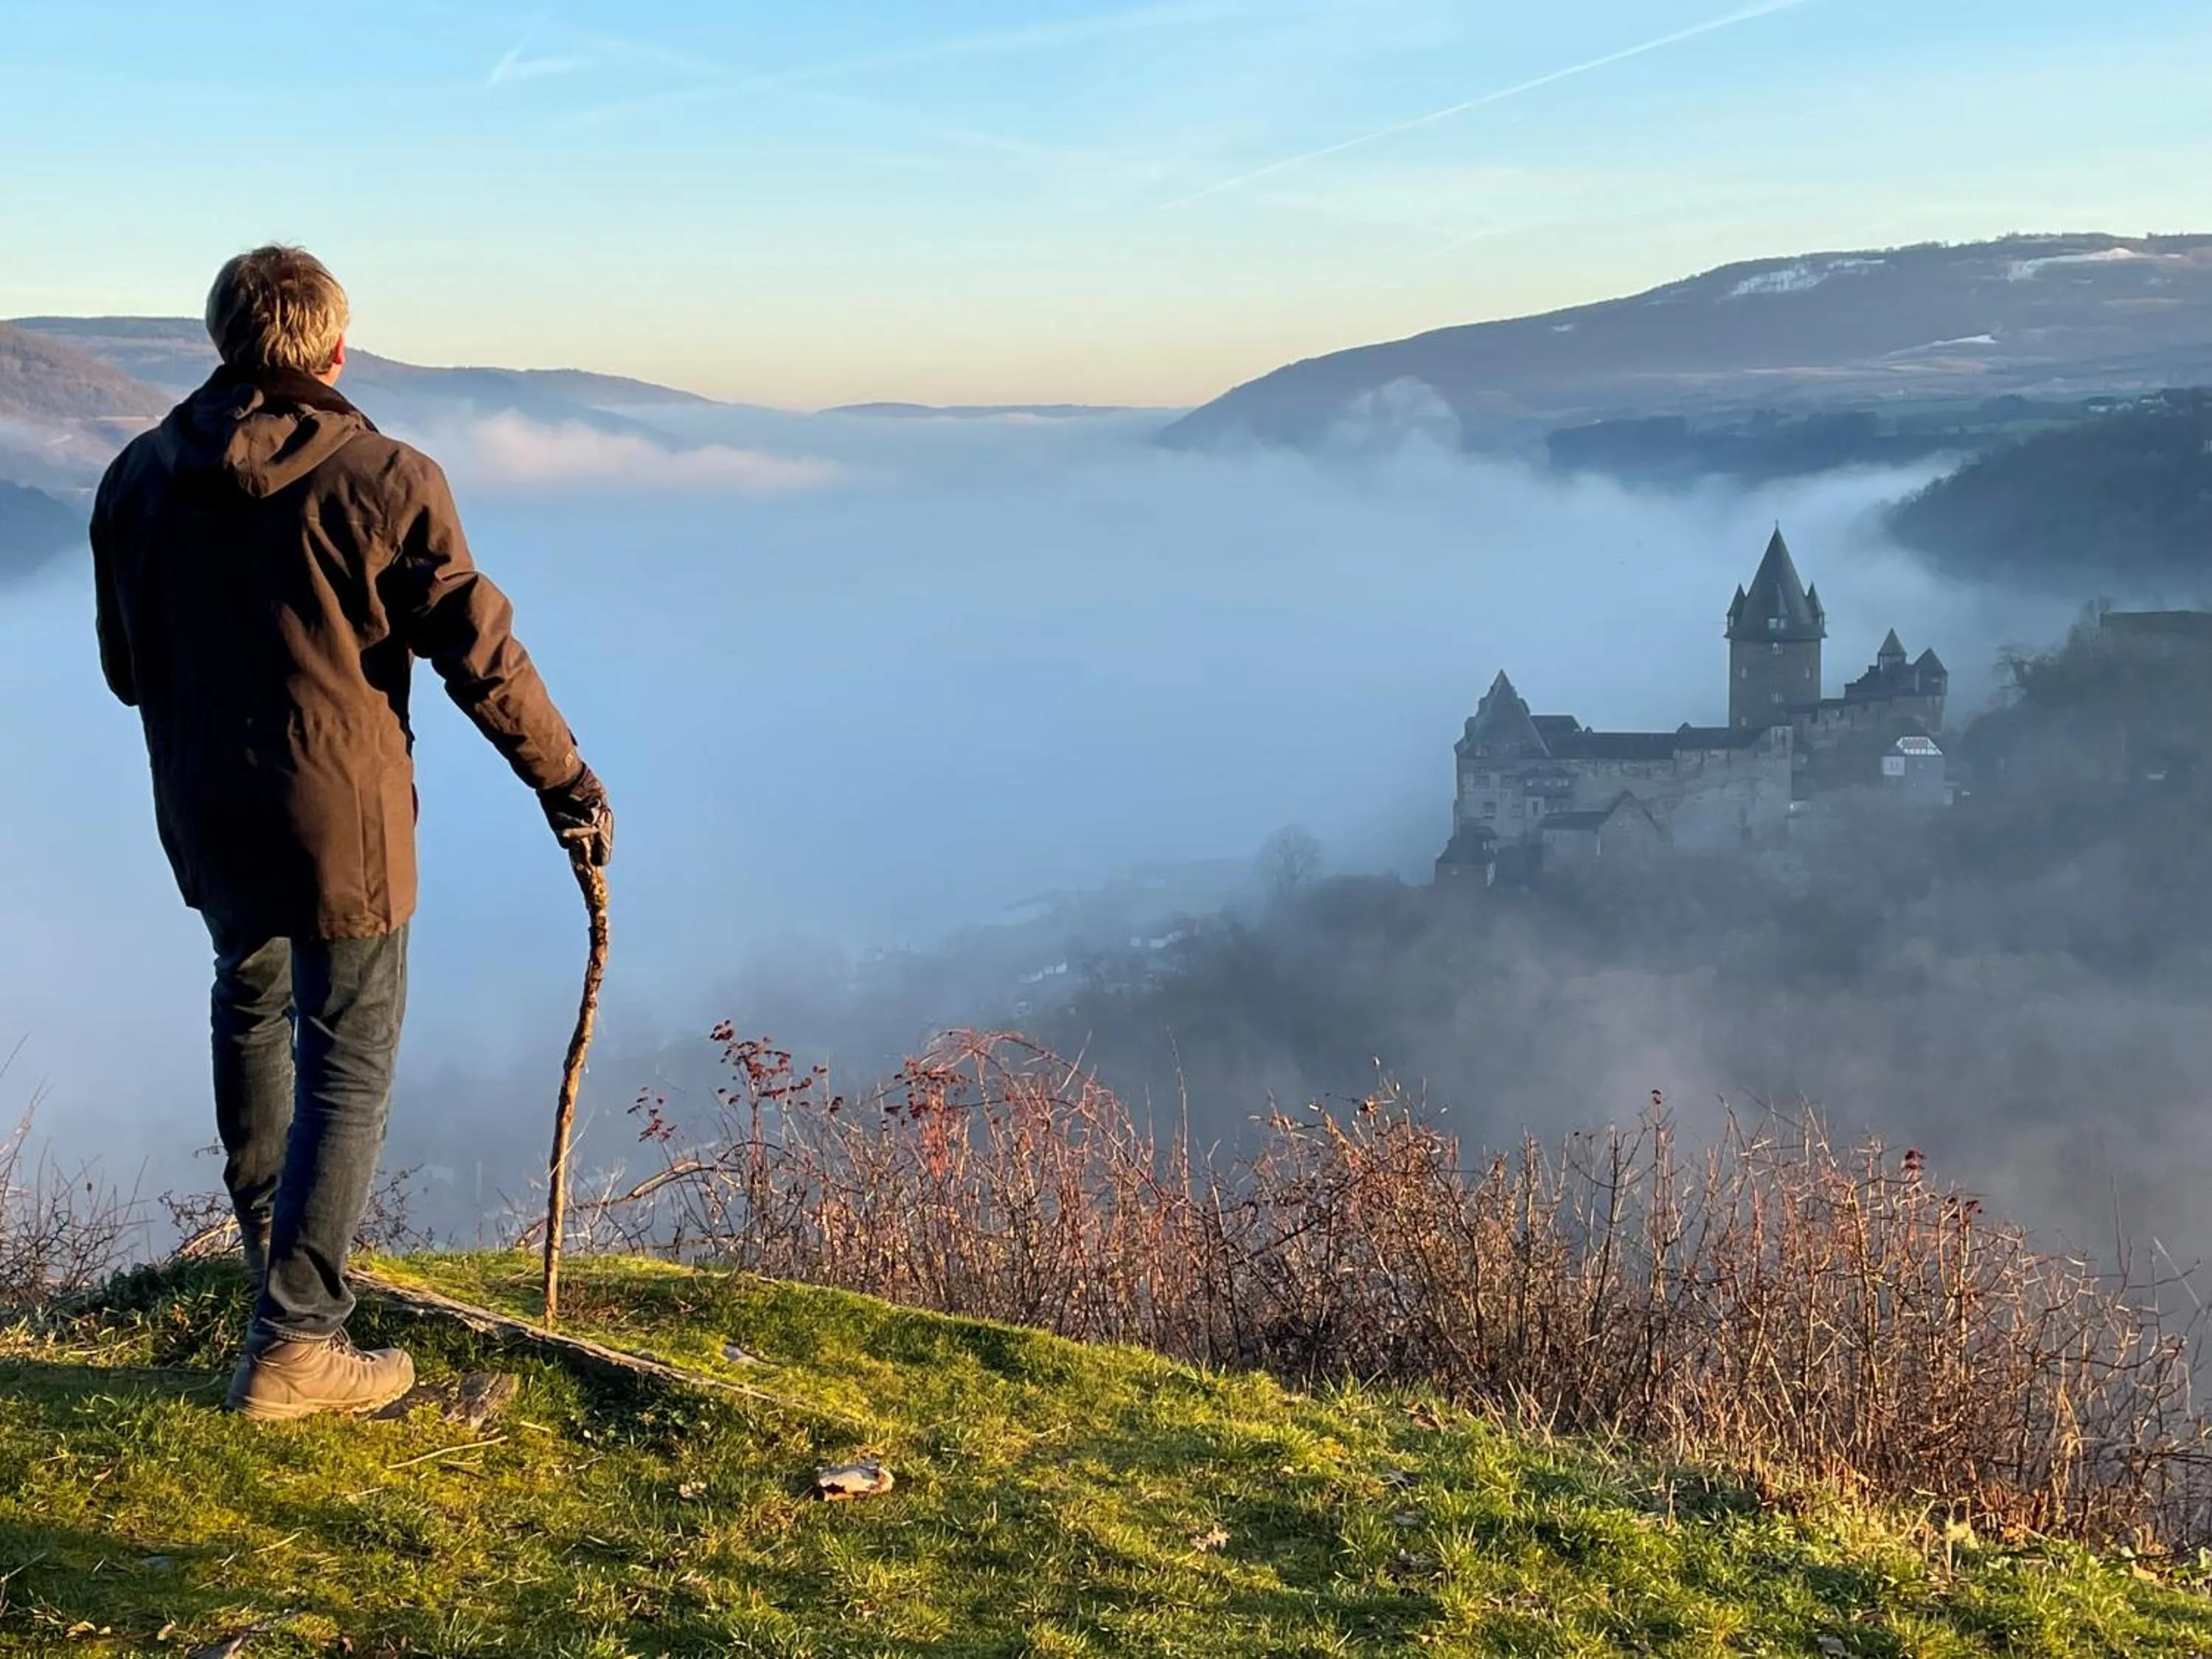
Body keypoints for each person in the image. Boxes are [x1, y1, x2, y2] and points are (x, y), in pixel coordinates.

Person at [91, 245, 613, 1422]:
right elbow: (481, 656)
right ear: (335, 348)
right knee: (348, 1060)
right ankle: (299, 1338)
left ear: (222, 339)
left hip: (207, 809)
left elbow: (126, 671)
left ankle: (274, 1273)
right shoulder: (386, 478)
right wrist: (568, 783)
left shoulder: (134, 479)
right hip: (346, 825)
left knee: (249, 1005)